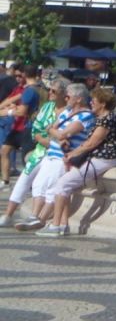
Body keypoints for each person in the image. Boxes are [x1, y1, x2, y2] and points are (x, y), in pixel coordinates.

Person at [11, 82, 95, 231]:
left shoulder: (86, 116)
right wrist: (56, 132)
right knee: (39, 184)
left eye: (68, 96)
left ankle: (41, 219)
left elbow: (61, 132)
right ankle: (35, 216)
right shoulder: (66, 112)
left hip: (63, 157)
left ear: (79, 99)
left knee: (52, 188)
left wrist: (56, 133)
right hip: (51, 154)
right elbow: (52, 128)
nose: (66, 98)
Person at [43, 85, 116, 236]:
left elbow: (92, 143)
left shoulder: (107, 120)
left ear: (103, 103)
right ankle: (63, 224)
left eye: (94, 100)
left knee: (62, 184)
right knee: (66, 185)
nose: (91, 102)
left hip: (102, 159)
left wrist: (72, 154)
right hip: (98, 159)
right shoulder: (104, 118)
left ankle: (55, 226)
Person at [1, 77, 64, 227]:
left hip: (57, 154)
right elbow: (36, 127)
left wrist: (50, 138)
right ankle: (7, 215)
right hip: (41, 150)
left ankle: (35, 216)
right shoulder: (47, 107)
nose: (50, 93)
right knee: (24, 178)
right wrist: (45, 140)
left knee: (41, 184)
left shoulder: (68, 111)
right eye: (50, 90)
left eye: (54, 91)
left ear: (64, 94)